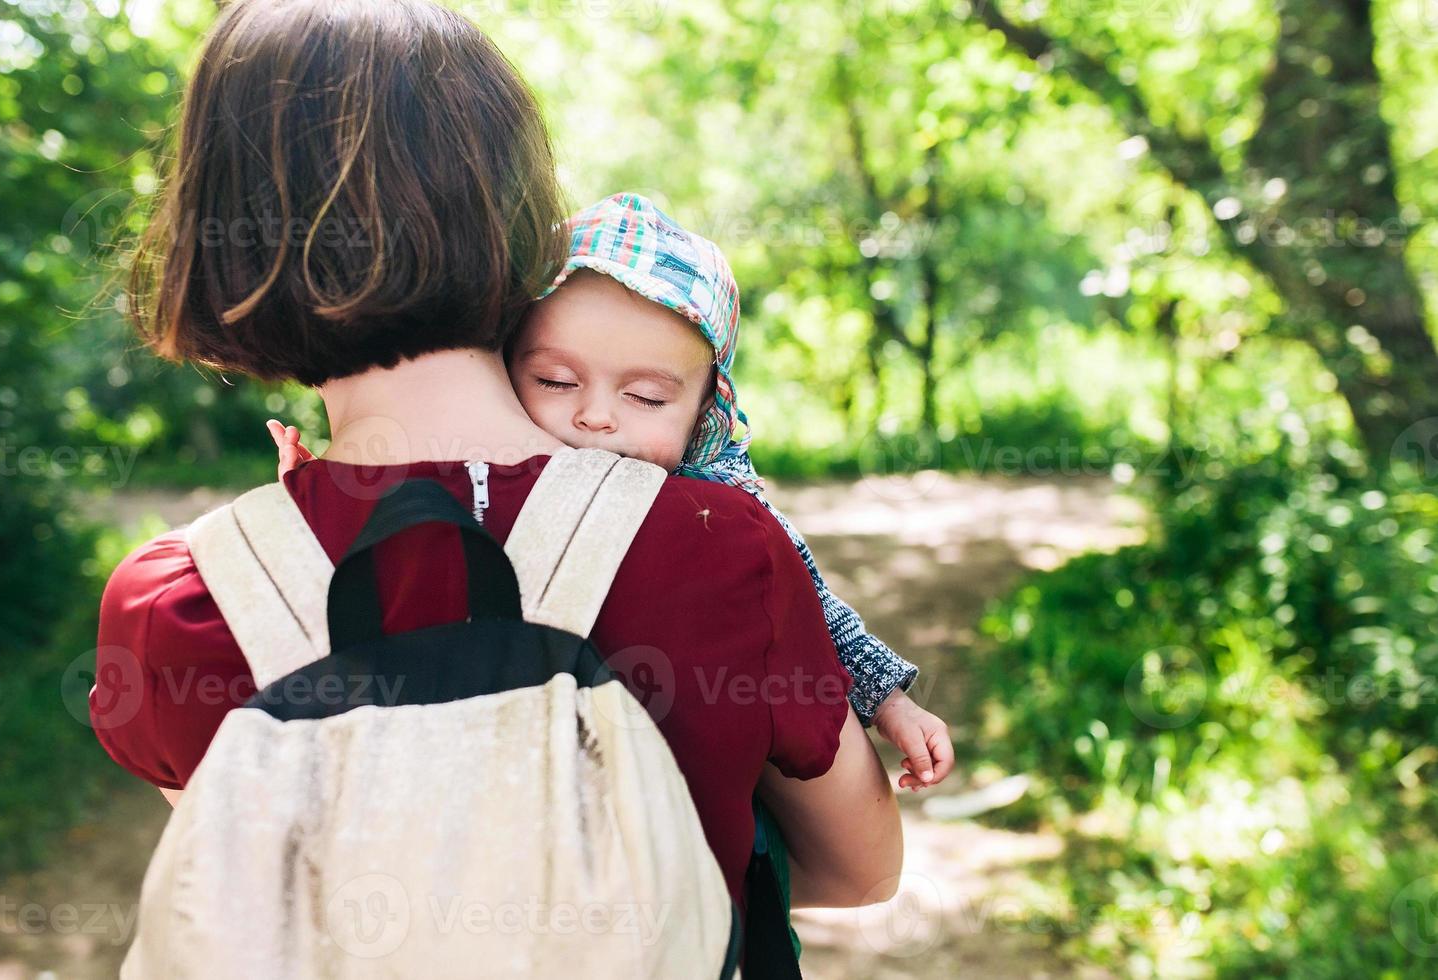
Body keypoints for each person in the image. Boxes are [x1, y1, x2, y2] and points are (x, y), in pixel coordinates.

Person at [89, 0, 901, 927]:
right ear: (517, 217)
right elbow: (859, 872)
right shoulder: (719, 549)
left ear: (218, 233)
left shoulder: (177, 605)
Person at [270, 192, 955, 791]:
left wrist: (890, 701)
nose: (596, 417)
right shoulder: (491, 470)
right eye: (557, 383)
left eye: (646, 396)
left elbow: (817, 607)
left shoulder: (719, 502)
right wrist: (317, 483)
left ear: (703, 412)